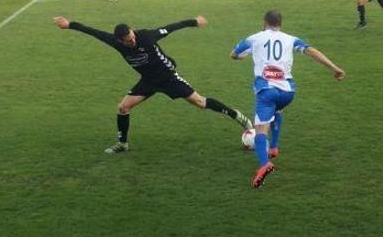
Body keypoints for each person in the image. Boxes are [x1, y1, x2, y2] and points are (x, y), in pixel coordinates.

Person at [53, 14, 253, 154]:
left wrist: (195, 22)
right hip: (148, 81)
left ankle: (238, 116)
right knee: (123, 107)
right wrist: (69, 24)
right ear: (120, 41)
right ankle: (122, 144)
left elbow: (172, 27)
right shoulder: (117, 42)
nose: (131, 42)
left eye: (132, 37)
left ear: (133, 31)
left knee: (200, 102)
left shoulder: (147, 36)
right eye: (128, 41)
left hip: (167, 76)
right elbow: (93, 32)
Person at [231, 10, 345, 188]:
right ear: (280, 24)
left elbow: (234, 54)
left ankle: (264, 165)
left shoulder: (254, 38)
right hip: (288, 92)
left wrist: (242, 55)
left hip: (266, 91)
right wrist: (334, 67)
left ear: (264, 22)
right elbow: (311, 51)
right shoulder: (290, 38)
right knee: (278, 109)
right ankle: (274, 148)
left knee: (261, 129)